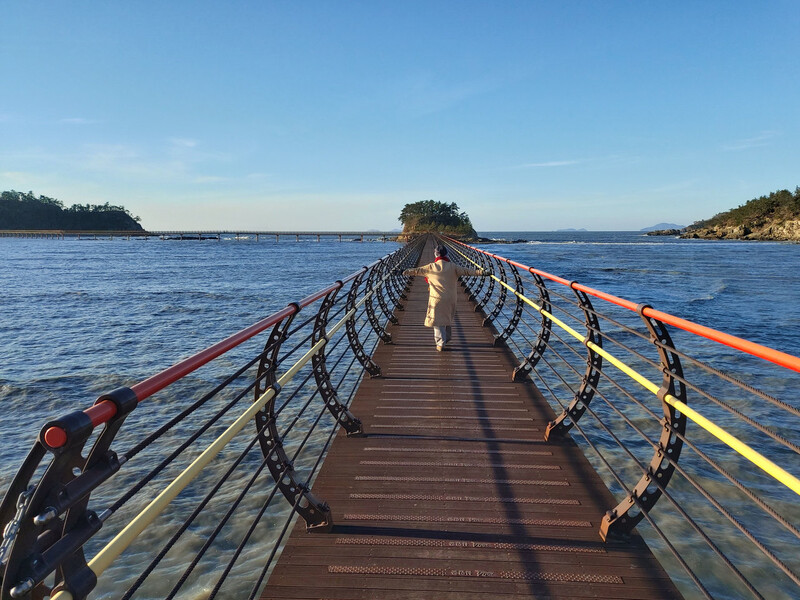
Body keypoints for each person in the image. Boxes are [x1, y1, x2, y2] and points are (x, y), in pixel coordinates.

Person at [403, 244, 488, 351]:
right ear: (446, 254)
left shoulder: (431, 267)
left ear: (436, 254)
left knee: (437, 321)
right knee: (446, 317)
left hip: (437, 298)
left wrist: (406, 271)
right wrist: (482, 272)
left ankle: (440, 343)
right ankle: (447, 338)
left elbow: (417, 270)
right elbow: (468, 271)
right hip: (451, 298)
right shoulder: (453, 267)